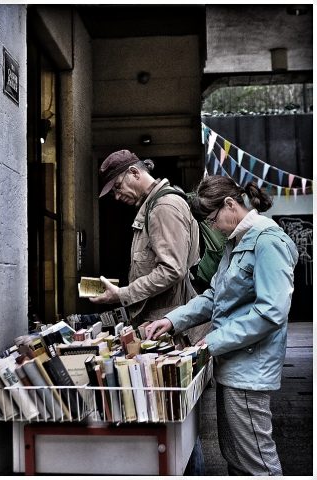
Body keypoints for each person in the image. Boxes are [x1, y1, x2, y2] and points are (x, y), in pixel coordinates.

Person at [145, 175, 298, 476]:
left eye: (212, 219)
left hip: (249, 370)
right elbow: (214, 295)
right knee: (235, 457)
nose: (212, 227)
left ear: (230, 204)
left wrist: (212, 342)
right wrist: (171, 320)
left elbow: (270, 313)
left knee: (257, 464)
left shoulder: (268, 242)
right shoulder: (236, 241)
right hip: (232, 365)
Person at [90, 149, 207, 474]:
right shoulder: (161, 203)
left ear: (134, 174)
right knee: (179, 422)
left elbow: (172, 270)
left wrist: (122, 294)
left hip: (167, 333)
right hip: (166, 329)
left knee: (174, 424)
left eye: (116, 187)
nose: (117, 195)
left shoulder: (163, 207)